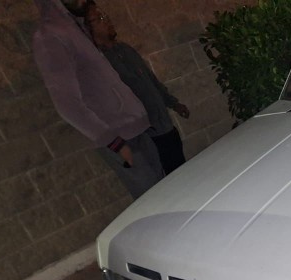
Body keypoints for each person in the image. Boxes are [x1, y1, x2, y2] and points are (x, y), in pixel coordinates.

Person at [32, 0, 164, 199]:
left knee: (164, 191)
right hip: (120, 138)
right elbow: (67, 104)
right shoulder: (50, 36)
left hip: (137, 129)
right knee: (153, 199)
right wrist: (114, 143)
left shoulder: (77, 27)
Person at [86, 2, 190, 175]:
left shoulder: (125, 49)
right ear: (88, 27)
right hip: (146, 136)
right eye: (100, 18)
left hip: (165, 126)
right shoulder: (101, 63)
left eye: (106, 16)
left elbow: (150, 80)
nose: (108, 21)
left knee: (182, 171)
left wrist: (173, 103)